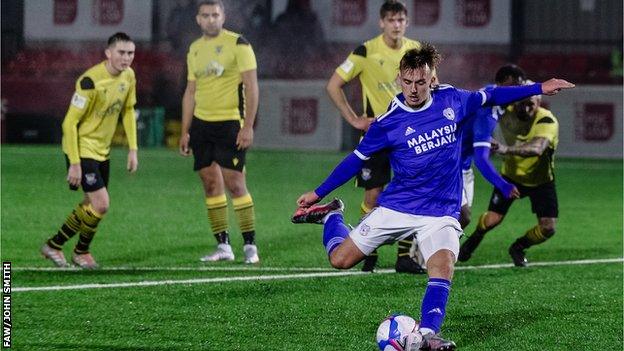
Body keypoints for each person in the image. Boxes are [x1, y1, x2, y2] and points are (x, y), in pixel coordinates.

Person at [292, 44, 574, 349]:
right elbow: (355, 160)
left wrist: (540, 87)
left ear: (432, 79)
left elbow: (491, 94)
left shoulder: (453, 99)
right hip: (399, 206)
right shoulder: (388, 122)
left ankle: (428, 336)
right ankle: (333, 214)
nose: (414, 89)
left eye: (421, 82)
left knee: (441, 270)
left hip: (440, 211)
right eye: (408, 82)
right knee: (339, 260)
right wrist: (318, 193)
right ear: (399, 79)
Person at [326, 0, 423, 273]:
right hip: (379, 135)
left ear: (406, 22)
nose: (396, 25)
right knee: (374, 195)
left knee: (412, 191)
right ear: (382, 23)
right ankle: (368, 250)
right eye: (391, 20)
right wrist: (354, 119)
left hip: (410, 134)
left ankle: (405, 257)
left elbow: (433, 86)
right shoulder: (366, 51)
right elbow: (333, 85)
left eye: (401, 20)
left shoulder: (416, 51)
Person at [40, 32, 138, 269]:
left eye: (130, 53)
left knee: (90, 204)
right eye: (121, 53)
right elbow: (69, 123)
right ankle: (80, 251)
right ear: (108, 53)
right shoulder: (90, 81)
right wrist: (74, 163)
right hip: (81, 148)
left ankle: (55, 246)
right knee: (101, 203)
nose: (126, 58)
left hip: (102, 151)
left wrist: (133, 149)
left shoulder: (129, 76)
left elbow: (128, 111)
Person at [179, 0, 260, 264]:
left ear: (223, 16)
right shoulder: (194, 49)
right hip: (202, 126)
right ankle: (223, 246)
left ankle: (250, 245)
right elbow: (190, 92)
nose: (211, 19)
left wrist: (247, 126)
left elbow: (251, 87)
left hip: (230, 124)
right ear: (198, 19)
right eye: (206, 15)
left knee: (235, 183)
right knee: (210, 183)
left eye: (215, 14)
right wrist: (185, 130)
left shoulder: (239, 44)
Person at [458, 80, 560, 267]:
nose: (526, 107)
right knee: (491, 220)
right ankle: (475, 239)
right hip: (511, 176)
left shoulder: (546, 120)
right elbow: (487, 104)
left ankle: (519, 246)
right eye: (523, 102)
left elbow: (537, 148)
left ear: (539, 103)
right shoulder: (506, 113)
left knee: (548, 228)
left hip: (541, 180)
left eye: (531, 103)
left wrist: (505, 149)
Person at [457, 64, 526, 229]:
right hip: (450, 167)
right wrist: (503, 185)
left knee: (458, 222)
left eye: (520, 87)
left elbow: (469, 124)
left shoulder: (491, 93)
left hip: (464, 166)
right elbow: (481, 160)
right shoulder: (487, 111)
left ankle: (417, 249)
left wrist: (484, 137)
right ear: (502, 83)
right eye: (515, 85)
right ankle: (413, 248)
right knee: (462, 217)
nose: (517, 91)